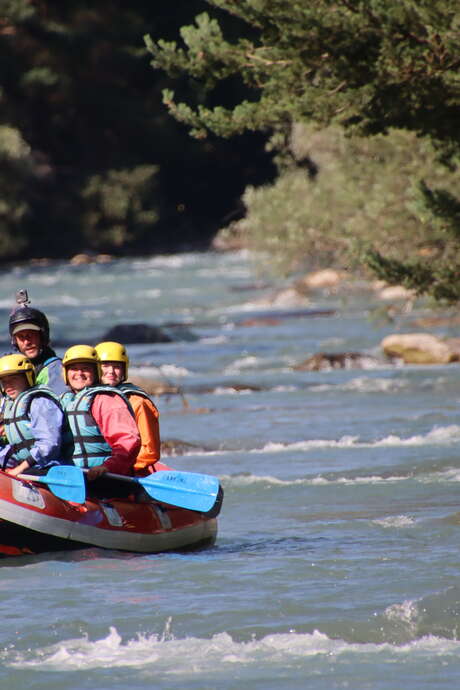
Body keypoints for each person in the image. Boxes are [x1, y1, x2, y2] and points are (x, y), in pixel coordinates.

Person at [60, 345, 140, 481]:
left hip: (106, 477)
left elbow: (128, 441)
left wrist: (107, 467)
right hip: (73, 476)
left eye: (85, 369)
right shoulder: (63, 401)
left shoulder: (106, 399)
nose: (79, 373)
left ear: (96, 372)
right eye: (73, 368)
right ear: (66, 373)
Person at [95, 341, 161, 475]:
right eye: (106, 366)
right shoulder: (88, 399)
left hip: (126, 471)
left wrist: (117, 468)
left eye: (117, 366)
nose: (111, 372)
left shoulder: (137, 402)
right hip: (96, 467)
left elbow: (149, 451)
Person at [0, 354, 70, 477]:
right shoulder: (10, 404)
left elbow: (49, 444)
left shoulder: (40, 402)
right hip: (25, 467)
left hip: (48, 468)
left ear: (28, 378)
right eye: (4, 381)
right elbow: (14, 447)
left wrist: (19, 469)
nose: (8, 386)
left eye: (14, 379)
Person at [9, 289, 67, 395]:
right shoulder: (12, 370)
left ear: (42, 336)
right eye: (21, 337)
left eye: (30, 335)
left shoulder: (55, 370)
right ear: (15, 342)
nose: (27, 342)